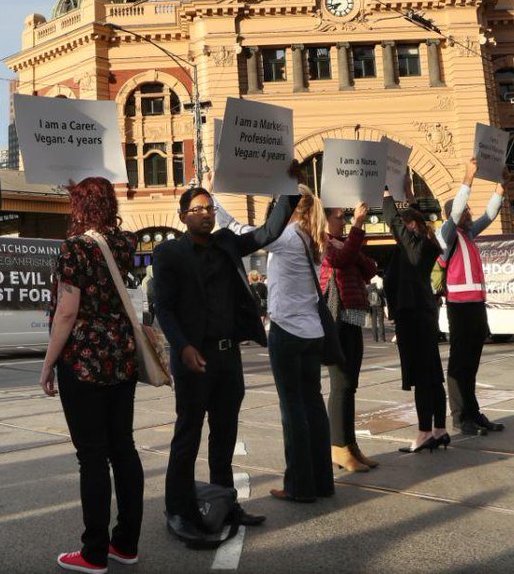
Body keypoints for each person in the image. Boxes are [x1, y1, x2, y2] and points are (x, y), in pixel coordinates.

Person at [153, 165, 300, 542]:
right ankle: (179, 509)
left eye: (209, 208)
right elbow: (164, 309)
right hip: (192, 359)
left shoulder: (227, 244)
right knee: (187, 436)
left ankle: (224, 503)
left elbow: (268, 231)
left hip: (227, 358)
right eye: (197, 209)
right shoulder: (168, 253)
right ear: (183, 216)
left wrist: (288, 187)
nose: (205, 213)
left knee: (224, 435)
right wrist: (182, 346)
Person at [39, 178, 143, 574]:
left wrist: (49, 361)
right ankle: (126, 543)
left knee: (92, 456)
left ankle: (94, 552)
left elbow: (67, 311)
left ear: (79, 205)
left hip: (83, 359)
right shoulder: (125, 243)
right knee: (124, 448)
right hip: (121, 357)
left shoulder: (75, 248)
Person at [215, 183, 334, 503]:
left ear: (291, 208)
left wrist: (212, 199)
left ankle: (299, 485)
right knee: (313, 405)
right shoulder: (314, 238)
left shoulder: (287, 236)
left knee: (292, 409)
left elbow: (242, 230)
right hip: (312, 332)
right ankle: (323, 481)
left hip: (287, 330)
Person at [437, 158, 505, 437]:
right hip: (459, 307)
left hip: (476, 306)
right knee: (459, 362)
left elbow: (489, 215)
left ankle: (474, 412)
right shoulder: (447, 235)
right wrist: (467, 179)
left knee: (472, 362)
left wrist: (501, 188)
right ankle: (460, 417)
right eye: (465, 210)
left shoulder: (468, 234)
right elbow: (454, 217)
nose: (469, 212)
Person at [382, 181, 447, 453]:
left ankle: (423, 433)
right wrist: (408, 200)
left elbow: (395, 223)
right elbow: (406, 223)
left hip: (412, 316)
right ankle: (440, 429)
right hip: (424, 314)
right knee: (433, 375)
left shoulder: (414, 247)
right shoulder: (426, 244)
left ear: (409, 228)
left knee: (422, 376)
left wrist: (387, 197)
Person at [319, 204, 379, 473]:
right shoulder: (321, 242)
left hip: (353, 316)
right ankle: (338, 447)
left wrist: (351, 243)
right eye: (339, 217)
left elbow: (370, 269)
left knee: (350, 384)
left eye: (345, 217)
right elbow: (339, 261)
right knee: (341, 383)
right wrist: (357, 227)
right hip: (336, 316)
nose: (343, 221)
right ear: (324, 220)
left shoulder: (344, 243)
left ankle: (350, 445)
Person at [367, 271, 387, 343]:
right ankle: (382, 338)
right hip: (379, 303)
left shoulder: (369, 283)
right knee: (381, 322)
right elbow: (383, 293)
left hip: (371, 304)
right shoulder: (380, 280)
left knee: (373, 322)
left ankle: (375, 338)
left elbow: (366, 293)